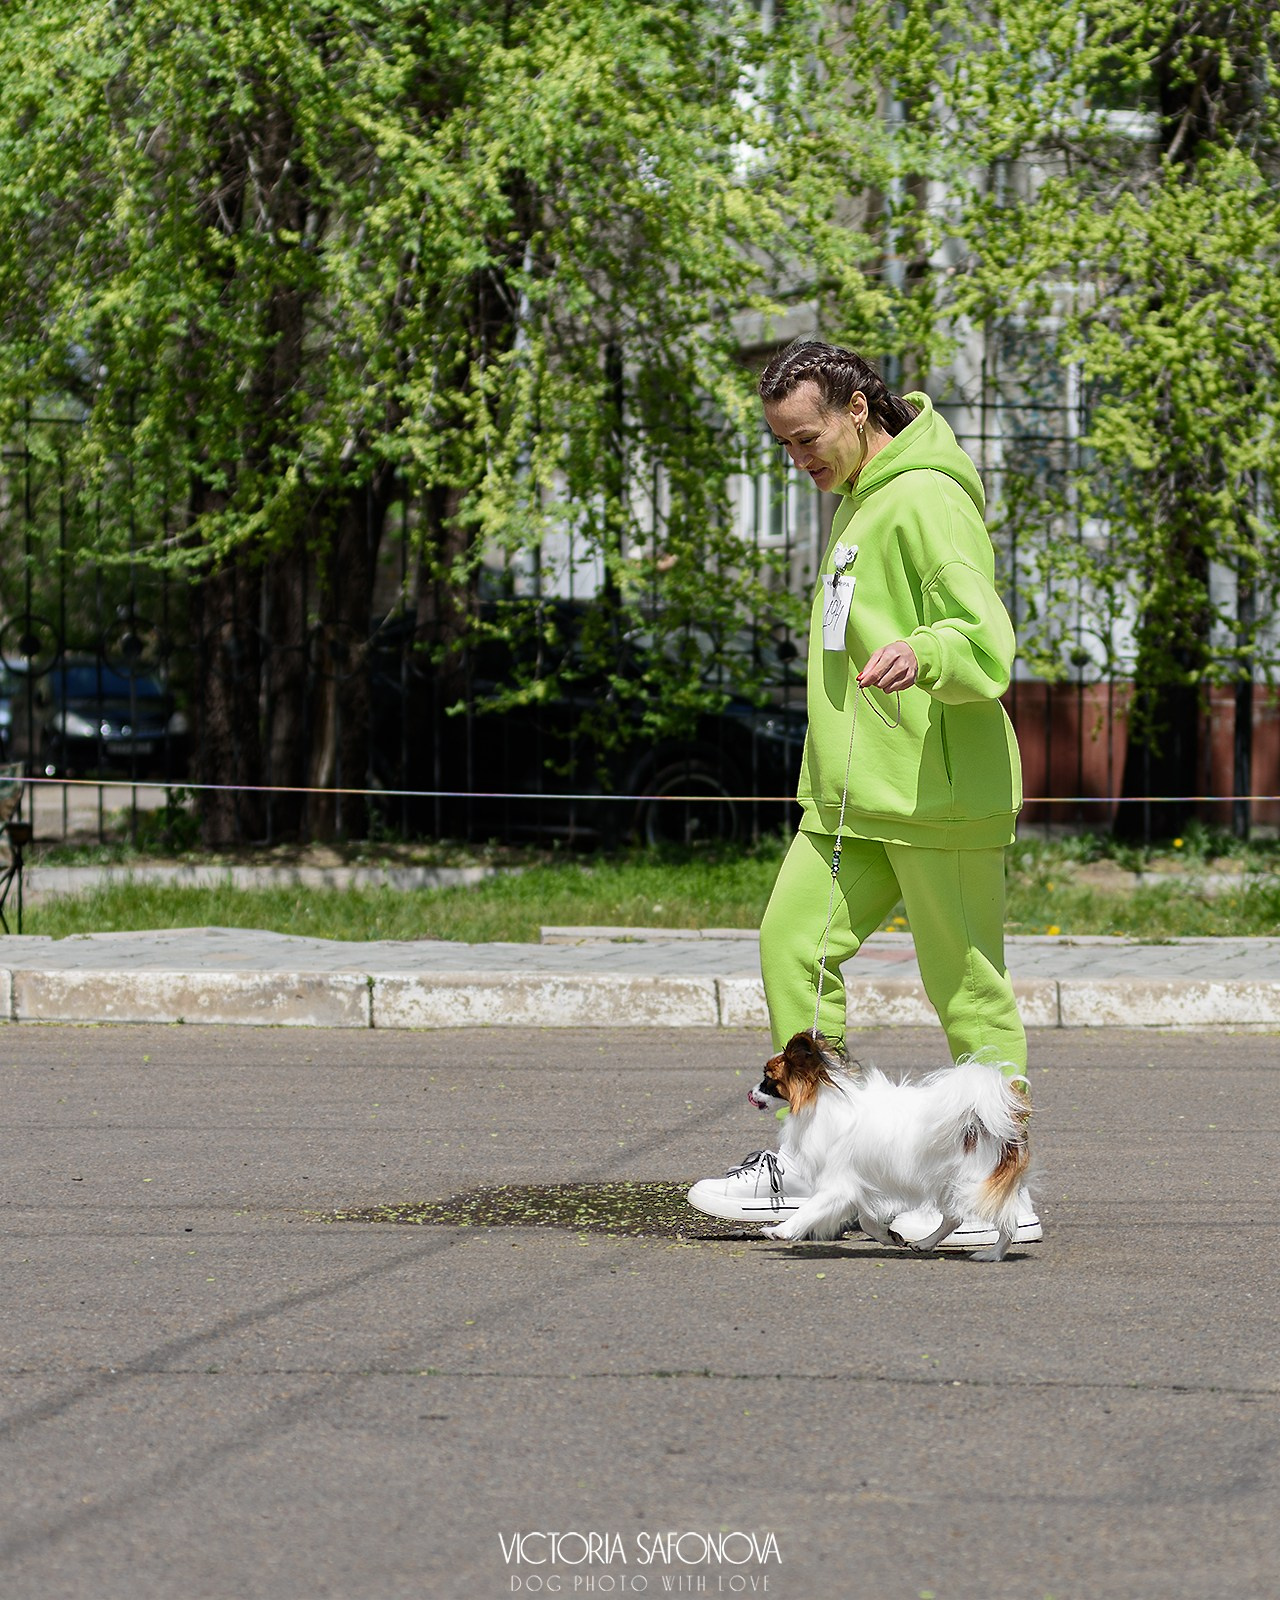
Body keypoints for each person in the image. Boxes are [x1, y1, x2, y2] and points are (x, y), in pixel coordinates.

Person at [687, 339, 1039, 1247]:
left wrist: (926, 653)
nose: (799, 461)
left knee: (967, 991)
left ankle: (999, 1188)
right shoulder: (857, 501)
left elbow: (988, 641)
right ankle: (814, 1162)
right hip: (854, 799)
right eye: (784, 447)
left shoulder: (927, 496)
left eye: (808, 440)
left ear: (856, 408)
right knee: (794, 943)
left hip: (941, 794)